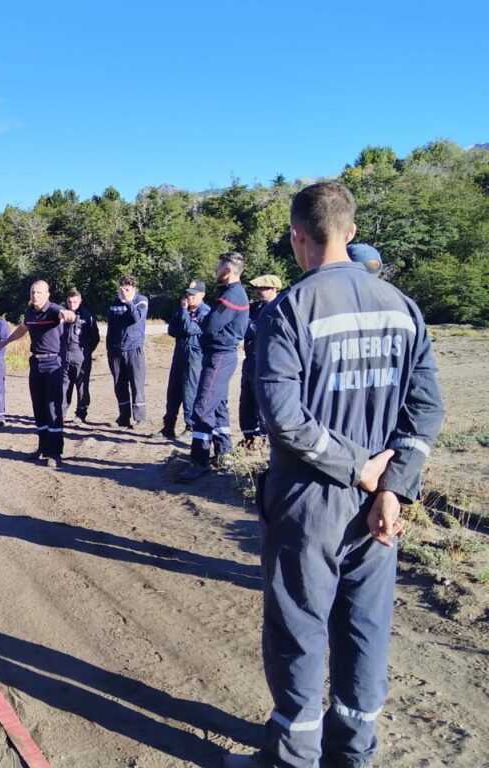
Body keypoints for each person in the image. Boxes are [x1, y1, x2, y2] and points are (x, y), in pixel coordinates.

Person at [224, 182, 444, 768]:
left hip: (310, 499)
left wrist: (359, 470)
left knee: (299, 627)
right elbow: (426, 409)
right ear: (351, 231)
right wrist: (393, 483)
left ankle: (292, 756)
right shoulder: (402, 306)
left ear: (298, 235)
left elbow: (282, 416)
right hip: (380, 506)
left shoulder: (291, 308)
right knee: (365, 628)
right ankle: (352, 752)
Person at [176, 252, 250, 481]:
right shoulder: (228, 292)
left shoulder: (232, 295)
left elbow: (210, 325)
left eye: (218, 267)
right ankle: (224, 452)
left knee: (202, 406)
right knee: (217, 405)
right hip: (218, 355)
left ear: (227, 271)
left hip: (220, 356)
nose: (215, 271)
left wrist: (202, 322)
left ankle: (199, 461)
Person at [0, 280, 75, 467]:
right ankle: (43, 447)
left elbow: (64, 313)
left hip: (53, 363)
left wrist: (68, 314)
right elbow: (23, 328)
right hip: (35, 363)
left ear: (47, 294)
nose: (35, 296)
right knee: (38, 406)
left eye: (39, 292)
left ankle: (55, 452)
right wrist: (5, 342)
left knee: (53, 407)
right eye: (33, 292)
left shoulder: (53, 309)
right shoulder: (30, 312)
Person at [160, 279, 211, 440]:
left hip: (194, 356)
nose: (189, 297)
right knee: (173, 391)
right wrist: (183, 316)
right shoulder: (183, 310)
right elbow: (171, 329)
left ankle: (190, 426)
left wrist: (183, 313)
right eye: (188, 294)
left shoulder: (205, 312)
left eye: (193, 295)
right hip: (179, 354)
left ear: (202, 295)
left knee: (189, 392)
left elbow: (189, 328)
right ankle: (168, 427)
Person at [238, 274, 282, 450]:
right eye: (256, 288)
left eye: (261, 288)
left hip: (267, 360)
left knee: (263, 400)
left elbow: (255, 328)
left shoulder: (279, 307)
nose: (257, 291)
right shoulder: (255, 307)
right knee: (247, 399)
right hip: (250, 359)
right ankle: (249, 438)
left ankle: (266, 439)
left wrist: (247, 326)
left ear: (273, 289)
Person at [105, 275, 150, 428]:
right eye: (122, 287)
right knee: (119, 384)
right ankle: (124, 417)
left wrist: (129, 301)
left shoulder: (141, 301)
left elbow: (136, 318)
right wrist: (109, 348)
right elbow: (110, 327)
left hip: (134, 349)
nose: (124, 290)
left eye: (127, 287)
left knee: (137, 383)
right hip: (116, 350)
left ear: (133, 287)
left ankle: (140, 418)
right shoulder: (114, 304)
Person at [60, 289, 100, 424]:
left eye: (75, 302)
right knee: (64, 386)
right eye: (69, 302)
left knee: (82, 386)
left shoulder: (87, 316)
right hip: (64, 355)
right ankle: (61, 413)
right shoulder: (62, 315)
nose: (72, 304)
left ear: (80, 301)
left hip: (81, 356)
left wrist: (86, 352)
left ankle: (81, 413)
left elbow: (95, 337)